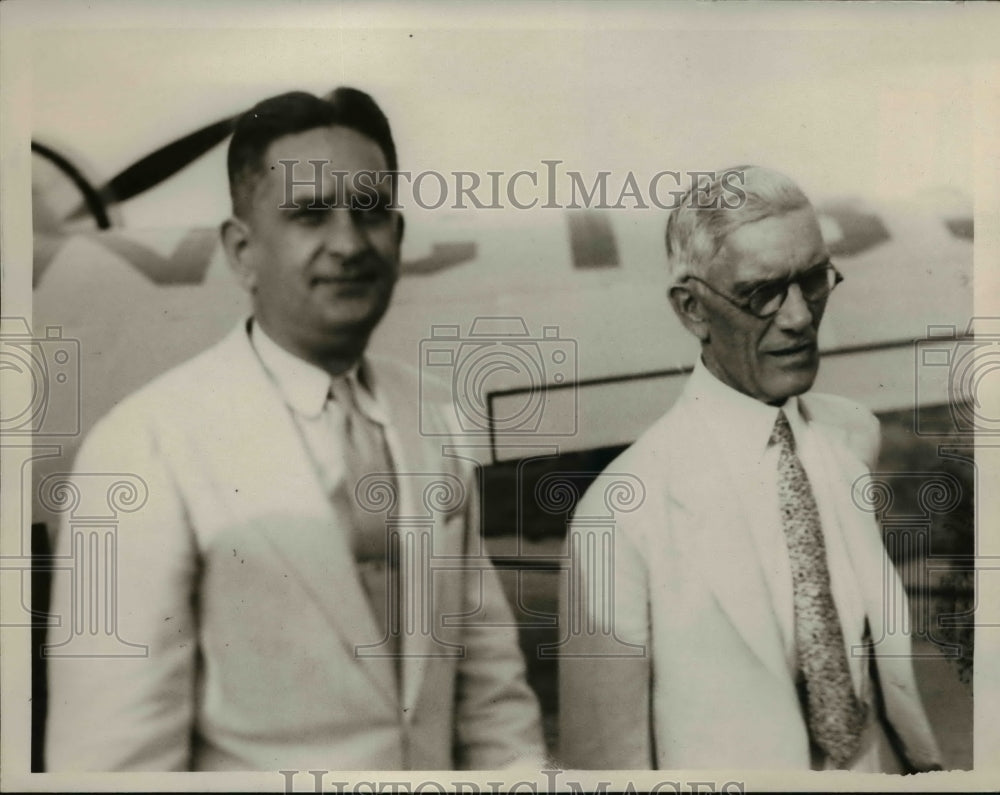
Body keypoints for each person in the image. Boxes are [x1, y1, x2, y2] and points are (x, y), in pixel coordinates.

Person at [45, 88, 545, 771]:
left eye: (370, 211)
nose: (348, 242)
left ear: (397, 237)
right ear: (242, 250)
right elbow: (114, 761)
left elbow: (490, 685)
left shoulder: (430, 409)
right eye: (310, 214)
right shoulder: (141, 446)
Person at [558, 166, 943, 772]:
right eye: (762, 292)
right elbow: (606, 765)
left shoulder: (851, 437)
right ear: (691, 309)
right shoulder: (620, 516)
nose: (797, 317)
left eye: (813, 281)